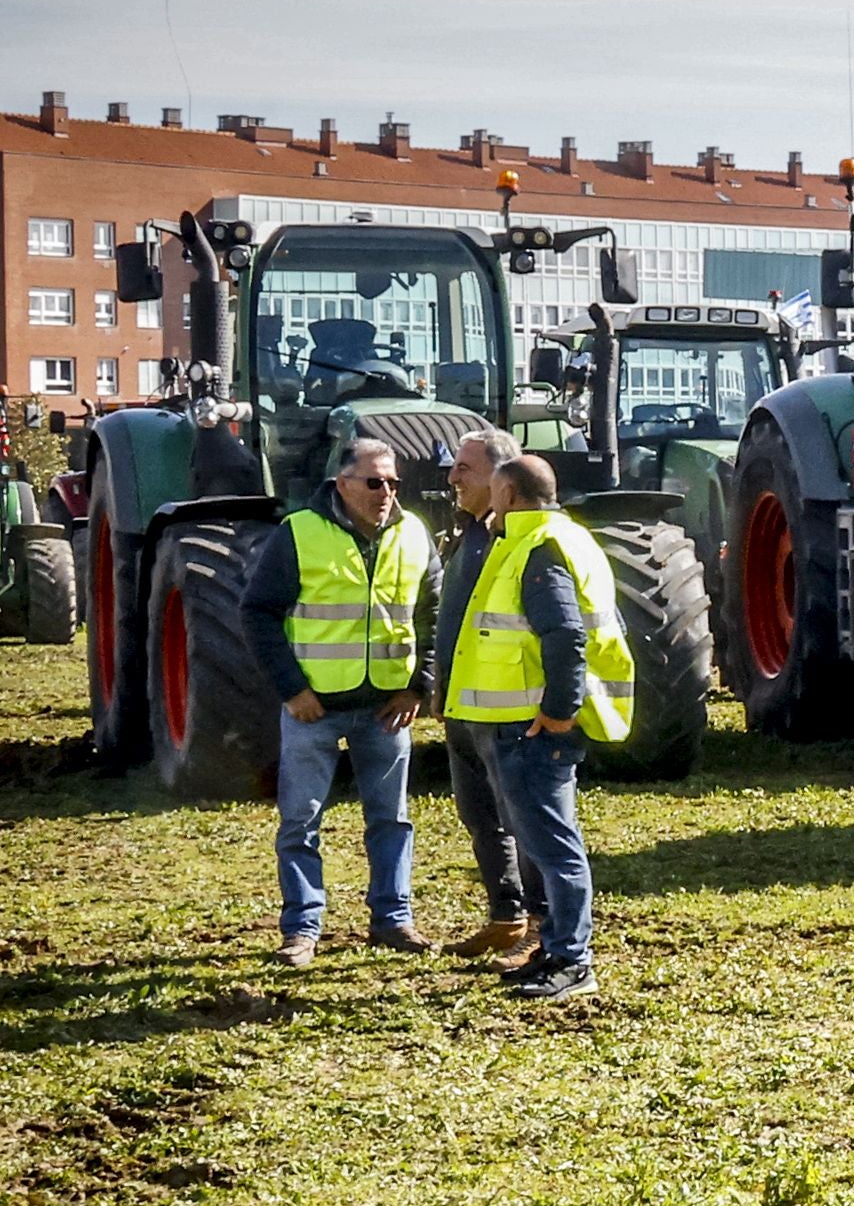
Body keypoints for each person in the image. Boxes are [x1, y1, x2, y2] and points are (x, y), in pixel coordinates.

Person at [443, 453, 636, 1001]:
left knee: (553, 848)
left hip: (530, 727)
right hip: (515, 723)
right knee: (546, 843)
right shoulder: (554, 538)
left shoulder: (537, 547)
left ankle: (572, 962)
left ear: (507, 496)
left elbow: (564, 634)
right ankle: (555, 951)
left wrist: (557, 710)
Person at [242, 434, 437, 966]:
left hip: (387, 710)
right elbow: (258, 613)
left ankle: (393, 919)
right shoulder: (298, 534)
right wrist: (292, 690)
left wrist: (419, 685)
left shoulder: (415, 534)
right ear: (343, 482)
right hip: (315, 709)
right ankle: (302, 930)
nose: (387, 492)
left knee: (390, 819)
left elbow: (434, 615)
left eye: (394, 482)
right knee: (300, 821)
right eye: (375, 482)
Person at [430, 428, 535, 965]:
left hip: (508, 706)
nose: (451, 477)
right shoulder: (468, 534)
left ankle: (543, 924)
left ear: (499, 478)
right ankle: (507, 914)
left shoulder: (517, 539)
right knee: (480, 815)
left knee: (525, 818)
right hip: (464, 705)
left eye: (463, 469)